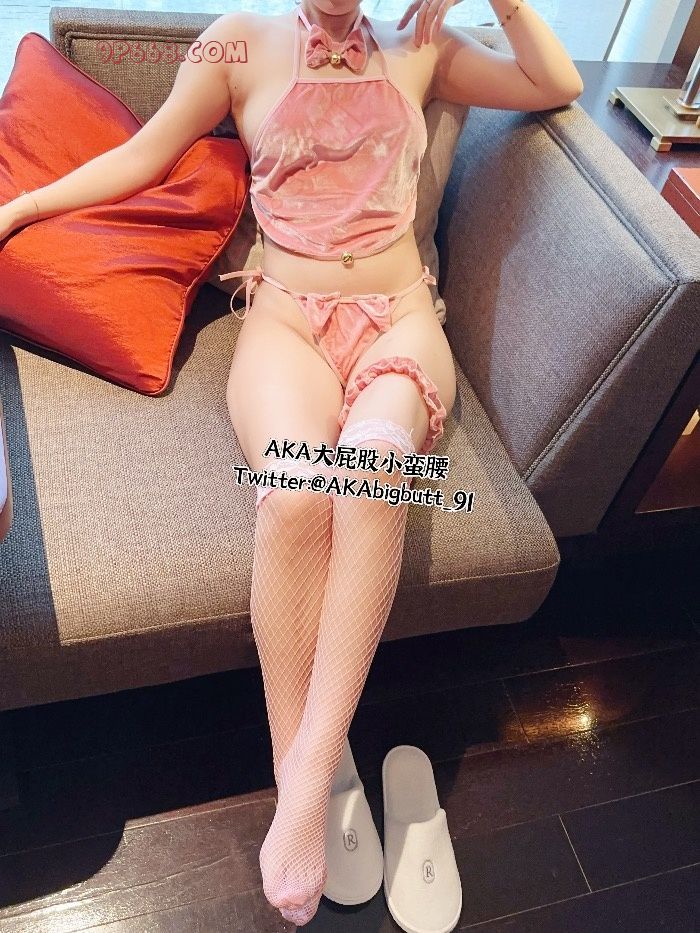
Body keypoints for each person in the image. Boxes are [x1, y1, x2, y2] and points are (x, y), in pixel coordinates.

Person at [0, 0, 582, 924]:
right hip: (284, 324)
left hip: (399, 320)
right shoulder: (238, 42)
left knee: (376, 477)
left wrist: (505, 3)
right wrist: (23, 206)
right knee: (297, 497)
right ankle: (305, 765)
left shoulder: (421, 43)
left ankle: (305, 783)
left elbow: (557, 82)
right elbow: (146, 155)